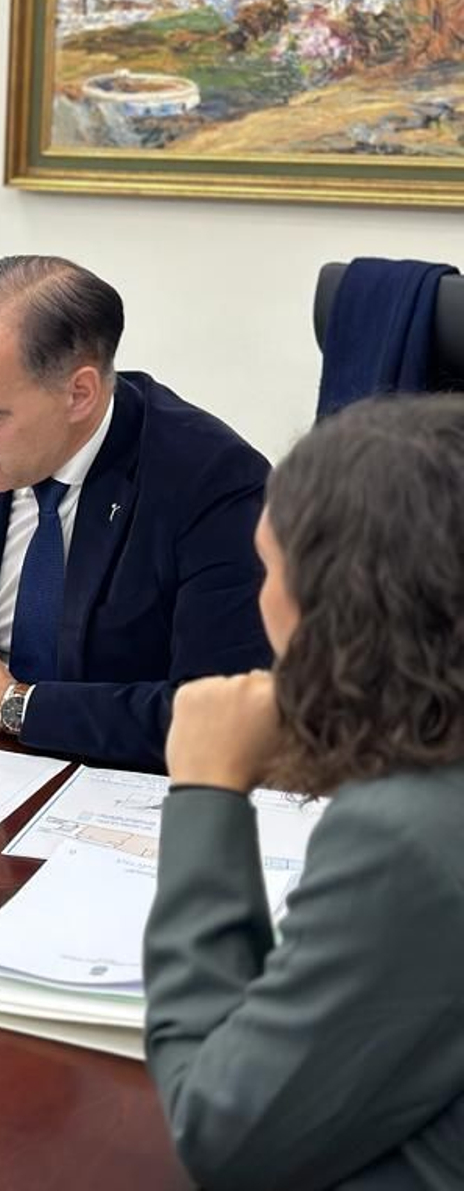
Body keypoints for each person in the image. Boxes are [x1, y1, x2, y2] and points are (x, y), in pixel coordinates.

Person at [144, 395, 464, 1190]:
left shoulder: (404, 837)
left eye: (268, 568)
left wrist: (206, 790)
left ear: (343, 605)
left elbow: (220, 1134)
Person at [0, 256, 271, 768]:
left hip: (130, 791)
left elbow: (223, 718)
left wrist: (11, 706)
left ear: (79, 393)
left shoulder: (211, 482)